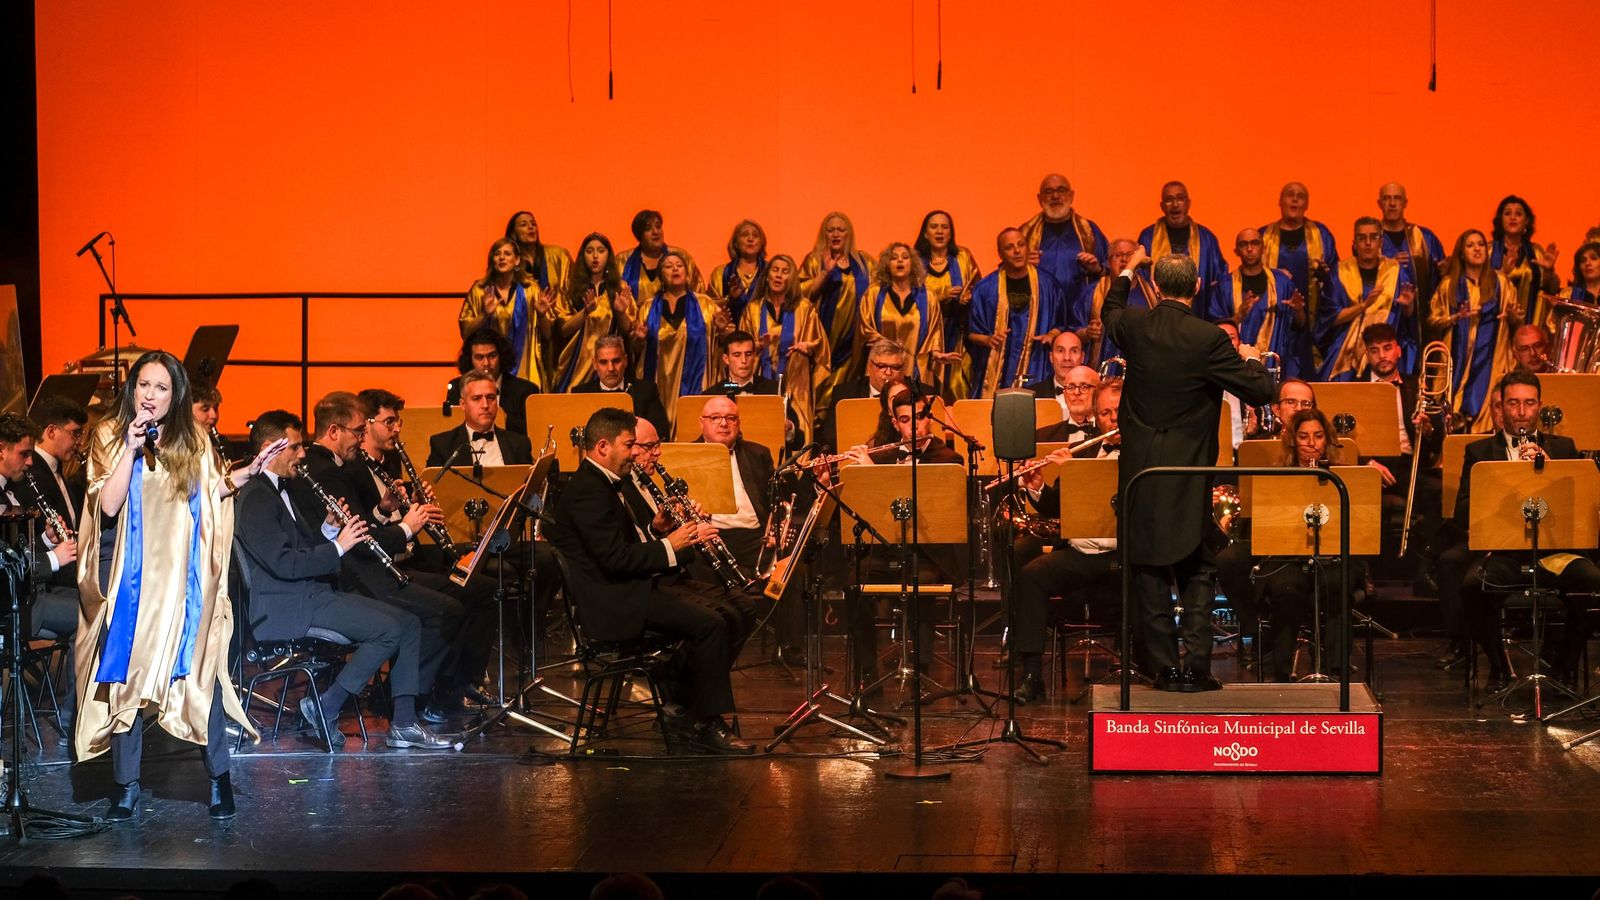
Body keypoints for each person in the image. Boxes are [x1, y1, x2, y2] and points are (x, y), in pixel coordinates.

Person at [73, 350, 286, 821]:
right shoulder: (111, 435)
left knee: (197, 676)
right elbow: (106, 506)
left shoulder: (193, 437)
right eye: (143, 386)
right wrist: (130, 447)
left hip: (186, 581)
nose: (150, 395)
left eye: (161, 388)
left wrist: (248, 473)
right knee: (127, 681)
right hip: (135, 583)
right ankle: (125, 787)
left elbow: (210, 494)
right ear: (131, 389)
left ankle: (219, 779)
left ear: (176, 395)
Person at [1102, 247, 1274, 691]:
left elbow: (1111, 307)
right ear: (1197, 288)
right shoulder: (1207, 338)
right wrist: (1252, 357)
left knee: (1149, 572)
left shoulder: (1135, 326)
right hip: (1188, 475)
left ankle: (1162, 668)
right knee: (1198, 570)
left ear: (1156, 286)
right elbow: (1260, 390)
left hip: (1141, 474)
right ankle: (1197, 666)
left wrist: (1129, 266)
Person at [233, 411, 453, 752]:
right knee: (388, 630)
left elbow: (300, 547)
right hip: (287, 606)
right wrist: (340, 545)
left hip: (310, 594)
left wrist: (331, 529)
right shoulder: (255, 498)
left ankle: (405, 723)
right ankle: (328, 704)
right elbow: (284, 564)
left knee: (408, 623)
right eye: (294, 447)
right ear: (269, 448)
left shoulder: (282, 490)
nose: (303, 454)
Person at [546, 407, 753, 753]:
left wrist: (657, 532)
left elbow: (620, 545)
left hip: (629, 587)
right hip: (614, 603)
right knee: (711, 623)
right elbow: (614, 560)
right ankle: (702, 719)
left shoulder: (606, 482)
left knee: (741, 608)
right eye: (629, 446)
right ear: (602, 447)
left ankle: (680, 698)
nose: (634, 455)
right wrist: (671, 546)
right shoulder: (587, 491)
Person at [289, 392, 475, 727]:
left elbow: (361, 526)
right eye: (357, 433)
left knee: (455, 600)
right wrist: (408, 526)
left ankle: (411, 701)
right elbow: (360, 542)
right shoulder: (325, 472)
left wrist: (385, 510)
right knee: (440, 612)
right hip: (356, 576)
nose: (361, 441)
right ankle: (403, 703)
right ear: (334, 431)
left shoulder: (335, 467)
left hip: (366, 568)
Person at [1456, 371, 1600, 689]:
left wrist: (1552, 472)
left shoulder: (1564, 447)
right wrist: (1502, 481)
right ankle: (1498, 665)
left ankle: (1565, 665)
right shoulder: (1479, 453)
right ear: (1501, 406)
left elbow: (1582, 509)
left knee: (1593, 581)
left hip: (1555, 552)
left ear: (1540, 406)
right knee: (1472, 586)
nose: (1521, 411)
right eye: (1513, 403)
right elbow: (1462, 513)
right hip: (1504, 552)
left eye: (1529, 403)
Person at [1009, 381, 1124, 702]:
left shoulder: (1144, 453)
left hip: (1126, 555)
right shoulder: (1085, 450)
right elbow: (1054, 507)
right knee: (1032, 574)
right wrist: (1038, 487)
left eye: (1118, 412)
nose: (1113, 419)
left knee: (1147, 580)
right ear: (1096, 418)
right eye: (1105, 412)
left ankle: (1137, 666)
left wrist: (1076, 472)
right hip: (1080, 553)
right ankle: (1031, 675)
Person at [0, 413, 81, 742]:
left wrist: (47, 540)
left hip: (26, 598)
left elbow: (14, 548)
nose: (30, 461)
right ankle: (75, 717)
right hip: (11, 606)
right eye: (23, 453)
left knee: (93, 605)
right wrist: (53, 558)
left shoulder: (8, 492)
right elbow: (5, 566)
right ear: (1, 450)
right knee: (90, 618)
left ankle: (77, 712)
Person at [1429, 229, 1522, 431]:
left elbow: (1516, 318)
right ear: (1461, 253)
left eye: (1480, 244)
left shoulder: (1502, 283)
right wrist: (1455, 317)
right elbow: (1433, 320)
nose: (1477, 249)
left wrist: (1514, 317)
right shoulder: (1449, 286)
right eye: (1470, 245)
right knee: (1456, 407)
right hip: (1459, 360)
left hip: (1492, 359)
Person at [738, 254, 830, 444]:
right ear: (767, 275)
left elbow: (820, 344)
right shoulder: (753, 309)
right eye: (775, 270)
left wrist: (807, 346)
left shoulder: (804, 308)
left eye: (785, 271)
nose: (779, 275)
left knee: (797, 430)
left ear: (792, 278)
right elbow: (739, 345)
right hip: (761, 379)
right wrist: (757, 346)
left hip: (796, 381)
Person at [630, 251, 726, 429]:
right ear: (660, 276)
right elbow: (637, 350)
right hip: (659, 382)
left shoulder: (706, 304)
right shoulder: (648, 307)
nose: (675, 268)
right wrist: (639, 339)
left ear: (687, 273)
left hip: (695, 379)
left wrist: (721, 331)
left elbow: (719, 347)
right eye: (668, 266)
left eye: (679, 265)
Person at [967, 227, 1068, 396]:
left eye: (1021, 245)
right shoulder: (985, 288)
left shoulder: (1048, 284)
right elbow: (971, 333)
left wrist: (1052, 335)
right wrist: (988, 339)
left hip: (1038, 361)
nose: (1017, 251)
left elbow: (1063, 323)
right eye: (1009, 247)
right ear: (1000, 253)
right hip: (997, 367)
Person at [1317, 217, 1418, 380]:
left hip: (1384, 353)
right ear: (1355, 243)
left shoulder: (1395, 271)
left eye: (1373, 237)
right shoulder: (1340, 272)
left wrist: (1408, 306)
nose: (1368, 243)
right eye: (1362, 238)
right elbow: (1330, 319)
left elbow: (1408, 321)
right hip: (1346, 351)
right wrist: (1363, 306)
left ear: (1381, 242)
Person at [690, 395, 774, 577]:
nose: (723, 423)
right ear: (701, 423)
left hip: (756, 538)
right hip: (712, 538)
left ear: (738, 423)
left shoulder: (758, 454)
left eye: (730, 418)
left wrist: (776, 528)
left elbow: (776, 500)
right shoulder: (686, 455)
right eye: (715, 417)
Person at [800, 212, 876, 405]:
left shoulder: (865, 262)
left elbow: (878, 294)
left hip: (855, 341)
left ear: (848, 234)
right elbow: (802, 296)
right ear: (823, 234)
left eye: (841, 230)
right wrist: (825, 273)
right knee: (823, 389)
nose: (835, 234)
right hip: (825, 339)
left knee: (849, 390)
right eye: (830, 230)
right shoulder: (814, 260)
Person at [549, 232, 636, 393]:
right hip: (577, 363)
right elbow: (562, 330)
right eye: (589, 251)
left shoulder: (620, 287)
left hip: (609, 363)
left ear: (608, 255)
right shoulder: (570, 287)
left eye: (601, 251)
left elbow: (628, 331)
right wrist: (585, 313)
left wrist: (621, 312)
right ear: (583, 256)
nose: (595, 256)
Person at [457, 238, 549, 389]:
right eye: (497, 254)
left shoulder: (531, 290)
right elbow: (466, 333)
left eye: (507, 254)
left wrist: (542, 315)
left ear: (517, 260)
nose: (501, 258)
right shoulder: (480, 290)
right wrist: (484, 315)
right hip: (487, 369)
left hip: (526, 369)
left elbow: (547, 335)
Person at [1259, 182, 1338, 355]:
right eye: (1290, 195)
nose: (1295, 199)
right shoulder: (1263, 236)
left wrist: (1326, 275)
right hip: (1275, 318)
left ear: (1307, 204)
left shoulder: (1321, 234)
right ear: (1279, 201)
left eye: (1300, 196)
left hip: (1314, 321)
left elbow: (1336, 278)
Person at [1020, 174, 1107, 325]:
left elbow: (1111, 272)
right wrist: (1022, 265)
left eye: (1061, 190)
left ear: (1071, 195)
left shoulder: (1089, 231)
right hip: (1039, 315)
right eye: (1049, 192)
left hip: (1080, 314)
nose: (1055, 196)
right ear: (1039, 198)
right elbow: (1004, 275)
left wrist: (1097, 269)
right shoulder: (1024, 234)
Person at [1137, 181, 1231, 322]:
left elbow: (1218, 280)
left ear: (1188, 203)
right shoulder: (1148, 237)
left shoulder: (1207, 239)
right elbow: (1141, 280)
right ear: (1162, 206)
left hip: (1198, 316)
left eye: (1180, 198)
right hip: (1158, 319)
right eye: (1169, 200)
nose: (1175, 204)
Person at [1224, 228, 1306, 378]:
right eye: (1244, 244)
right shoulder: (1225, 286)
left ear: (1264, 247)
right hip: (1237, 370)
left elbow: (1298, 326)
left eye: (1255, 243)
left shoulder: (1283, 284)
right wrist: (1238, 317)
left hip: (1277, 366)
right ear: (1236, 251)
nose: (1250, 249)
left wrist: (1299, 311)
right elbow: (1217, 331)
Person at [701, 331, 804, 451]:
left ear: (755, 356)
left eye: (748, 354)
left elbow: (798, 442)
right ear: (726, 359)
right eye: (737, 355)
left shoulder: (774, 390)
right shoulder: (710, 395)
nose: (744, 360)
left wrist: (789, 429)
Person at [916, 210, 981, 399]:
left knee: (959, 388)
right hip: (926, 339)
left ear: (951, 233)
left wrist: (968, 298)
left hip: (958, 334)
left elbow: (979, 289)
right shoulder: (915, 261)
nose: (939, 231)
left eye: (945, 227)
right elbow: (909, 298)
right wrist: (940, 297)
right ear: (925, 232)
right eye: (934, 227)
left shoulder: (963, 257)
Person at [859, 242, 943, 383]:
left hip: (916, 371)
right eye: (894, 258)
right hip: (883, 369)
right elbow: (865, 329)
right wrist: (884, 345)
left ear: (913, 264)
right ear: (887, 264)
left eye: (905, 257)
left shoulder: (928, 296)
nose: (899, 260)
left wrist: (937, 353)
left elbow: (934, 333)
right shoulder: (874, 294)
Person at [427, 371, 535, 468]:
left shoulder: (520, 444)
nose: (485, 405)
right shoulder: (442, 445)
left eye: (491, 398)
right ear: (462, 404)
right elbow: (435, 487)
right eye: (477, 398)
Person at [572, 335, 671, 437]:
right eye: (603, 362)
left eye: (616, 361)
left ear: (625, 360)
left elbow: (661, 433)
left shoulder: (646, 391)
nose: (610, 368)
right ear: (594, 364)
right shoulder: (580, 393)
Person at [447, 328, 538, 435]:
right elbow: (450, 429)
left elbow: (534, 431)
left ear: (502, 356)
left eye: (492, 356)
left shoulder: (525, 390)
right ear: (469, 359)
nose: (486, 363)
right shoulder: (457, 388)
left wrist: (503, 418)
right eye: (479, 357)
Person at [1489, 195, 1561, 328]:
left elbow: (1551, 290)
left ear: (1527, 221)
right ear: (1500, 220)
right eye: (1507, 213)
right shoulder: (1488, 251)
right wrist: (1502, 274)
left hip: (1530, 325)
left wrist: (1550, 271)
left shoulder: (1537, 252)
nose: (1513, 217)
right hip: (1496, 326)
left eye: (1518, 214)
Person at [1376, 182, 1447, 310]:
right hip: (1383, 316)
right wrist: (1387, 265)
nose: (1392, 203)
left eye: (1397, 198)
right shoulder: (1371, 239)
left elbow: (1441, 278)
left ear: (1405, 203)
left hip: (1420, 317)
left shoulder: (1425, 237)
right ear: (1379, 203)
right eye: (1387, 198)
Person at [619, 209, 703, 302]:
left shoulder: (681, 257)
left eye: (658, 226)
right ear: (639, 235)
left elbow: (699, 295)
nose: (655, 232)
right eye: (648, 229)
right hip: (633, 316)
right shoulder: (623, 260)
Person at [1082, 239, 1142, 367]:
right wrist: (1087, 333)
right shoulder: (1091, 293)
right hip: (1101, 370)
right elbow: (1072, 329)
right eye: (1118, 255)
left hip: (1140, 369)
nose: (1124, 260)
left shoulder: (1150, 293)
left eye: (1129, 255)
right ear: (1109, 261)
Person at [504, 210, 572, 306]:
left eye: (533, 224)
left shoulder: (558, 255)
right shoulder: (509, 261)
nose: (531, 227)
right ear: (513, 234)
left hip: (559, 315)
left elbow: (571, 287)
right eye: (524, 225)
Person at [706, 219, 767, 324]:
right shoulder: (720, 274)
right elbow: (709, 308)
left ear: (762, 243)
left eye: (756, 235)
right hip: (730, 336)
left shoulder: (771, 272)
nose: (750, 239)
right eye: (744, 235)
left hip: (763, 336)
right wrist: (730, 299)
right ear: (735, 243)